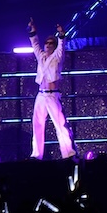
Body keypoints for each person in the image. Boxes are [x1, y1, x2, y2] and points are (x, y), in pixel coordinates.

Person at [27, 18, 77, 160]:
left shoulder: (57, 57)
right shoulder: (41, 56)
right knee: (37, 124)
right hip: (41, 95)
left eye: (51, 43)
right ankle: (36, 154)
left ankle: (68, 153)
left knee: (60, 124)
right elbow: (35, 44)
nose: (48, 45)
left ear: (54, 46)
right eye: (47, 43)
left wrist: (61, 35)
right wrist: (33, 31)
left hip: (53, 95)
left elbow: (62, 46)